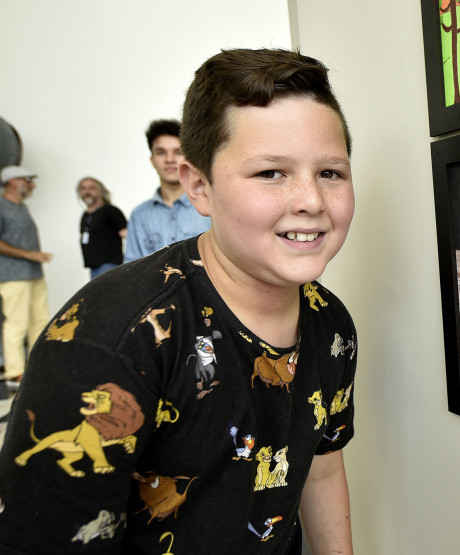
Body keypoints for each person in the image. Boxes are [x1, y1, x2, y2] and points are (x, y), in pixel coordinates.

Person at [0, 49, 358, 554]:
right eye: (271, 173)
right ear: (199, 187)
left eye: (331, 173)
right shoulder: (110, 342)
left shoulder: (331, 326)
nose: (312, 201)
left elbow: (320, 471)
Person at [123, 119, 210, 262]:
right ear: (152, 160)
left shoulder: (209, 209)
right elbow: (130, 269)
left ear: (189, 158)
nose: (169, 159)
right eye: (161, 152)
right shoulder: (139, 215)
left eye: (177, 152)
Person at [0, 165, 52, 383]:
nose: (32, 184)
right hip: (13, 276)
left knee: (40, 322)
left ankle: (36, 368)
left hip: (34, 274)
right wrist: (29, 254)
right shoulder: (2, 206)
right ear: (13, 181)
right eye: (27, 179)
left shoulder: (21, 207)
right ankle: (14, 372)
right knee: (16, 323)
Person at [77, 176, 127, 278]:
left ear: (101, 191)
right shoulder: (86, 215)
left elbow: (127, 234)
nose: (87, 191)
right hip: (94, 267)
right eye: (83, 188)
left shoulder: (110, 211)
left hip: (109, 266)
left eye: (92, 188)